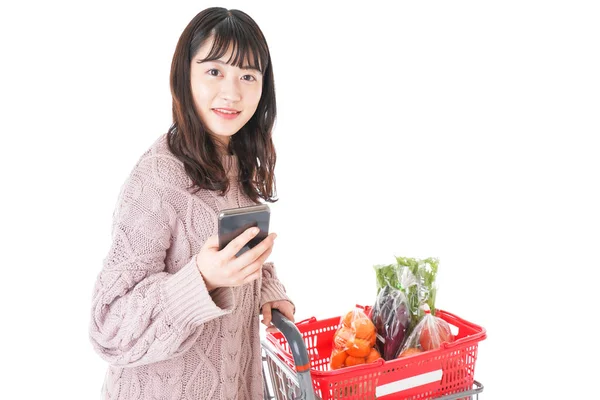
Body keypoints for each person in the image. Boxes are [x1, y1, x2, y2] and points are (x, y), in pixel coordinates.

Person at [89, 7, 295, 400]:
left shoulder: (238, 162)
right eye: (214, 71)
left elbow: (231, 254)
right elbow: (107, 327)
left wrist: (267, 286)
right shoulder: (156, 180)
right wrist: (202, 279)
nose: (232, 92)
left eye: (247, 76)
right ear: (185, 76)